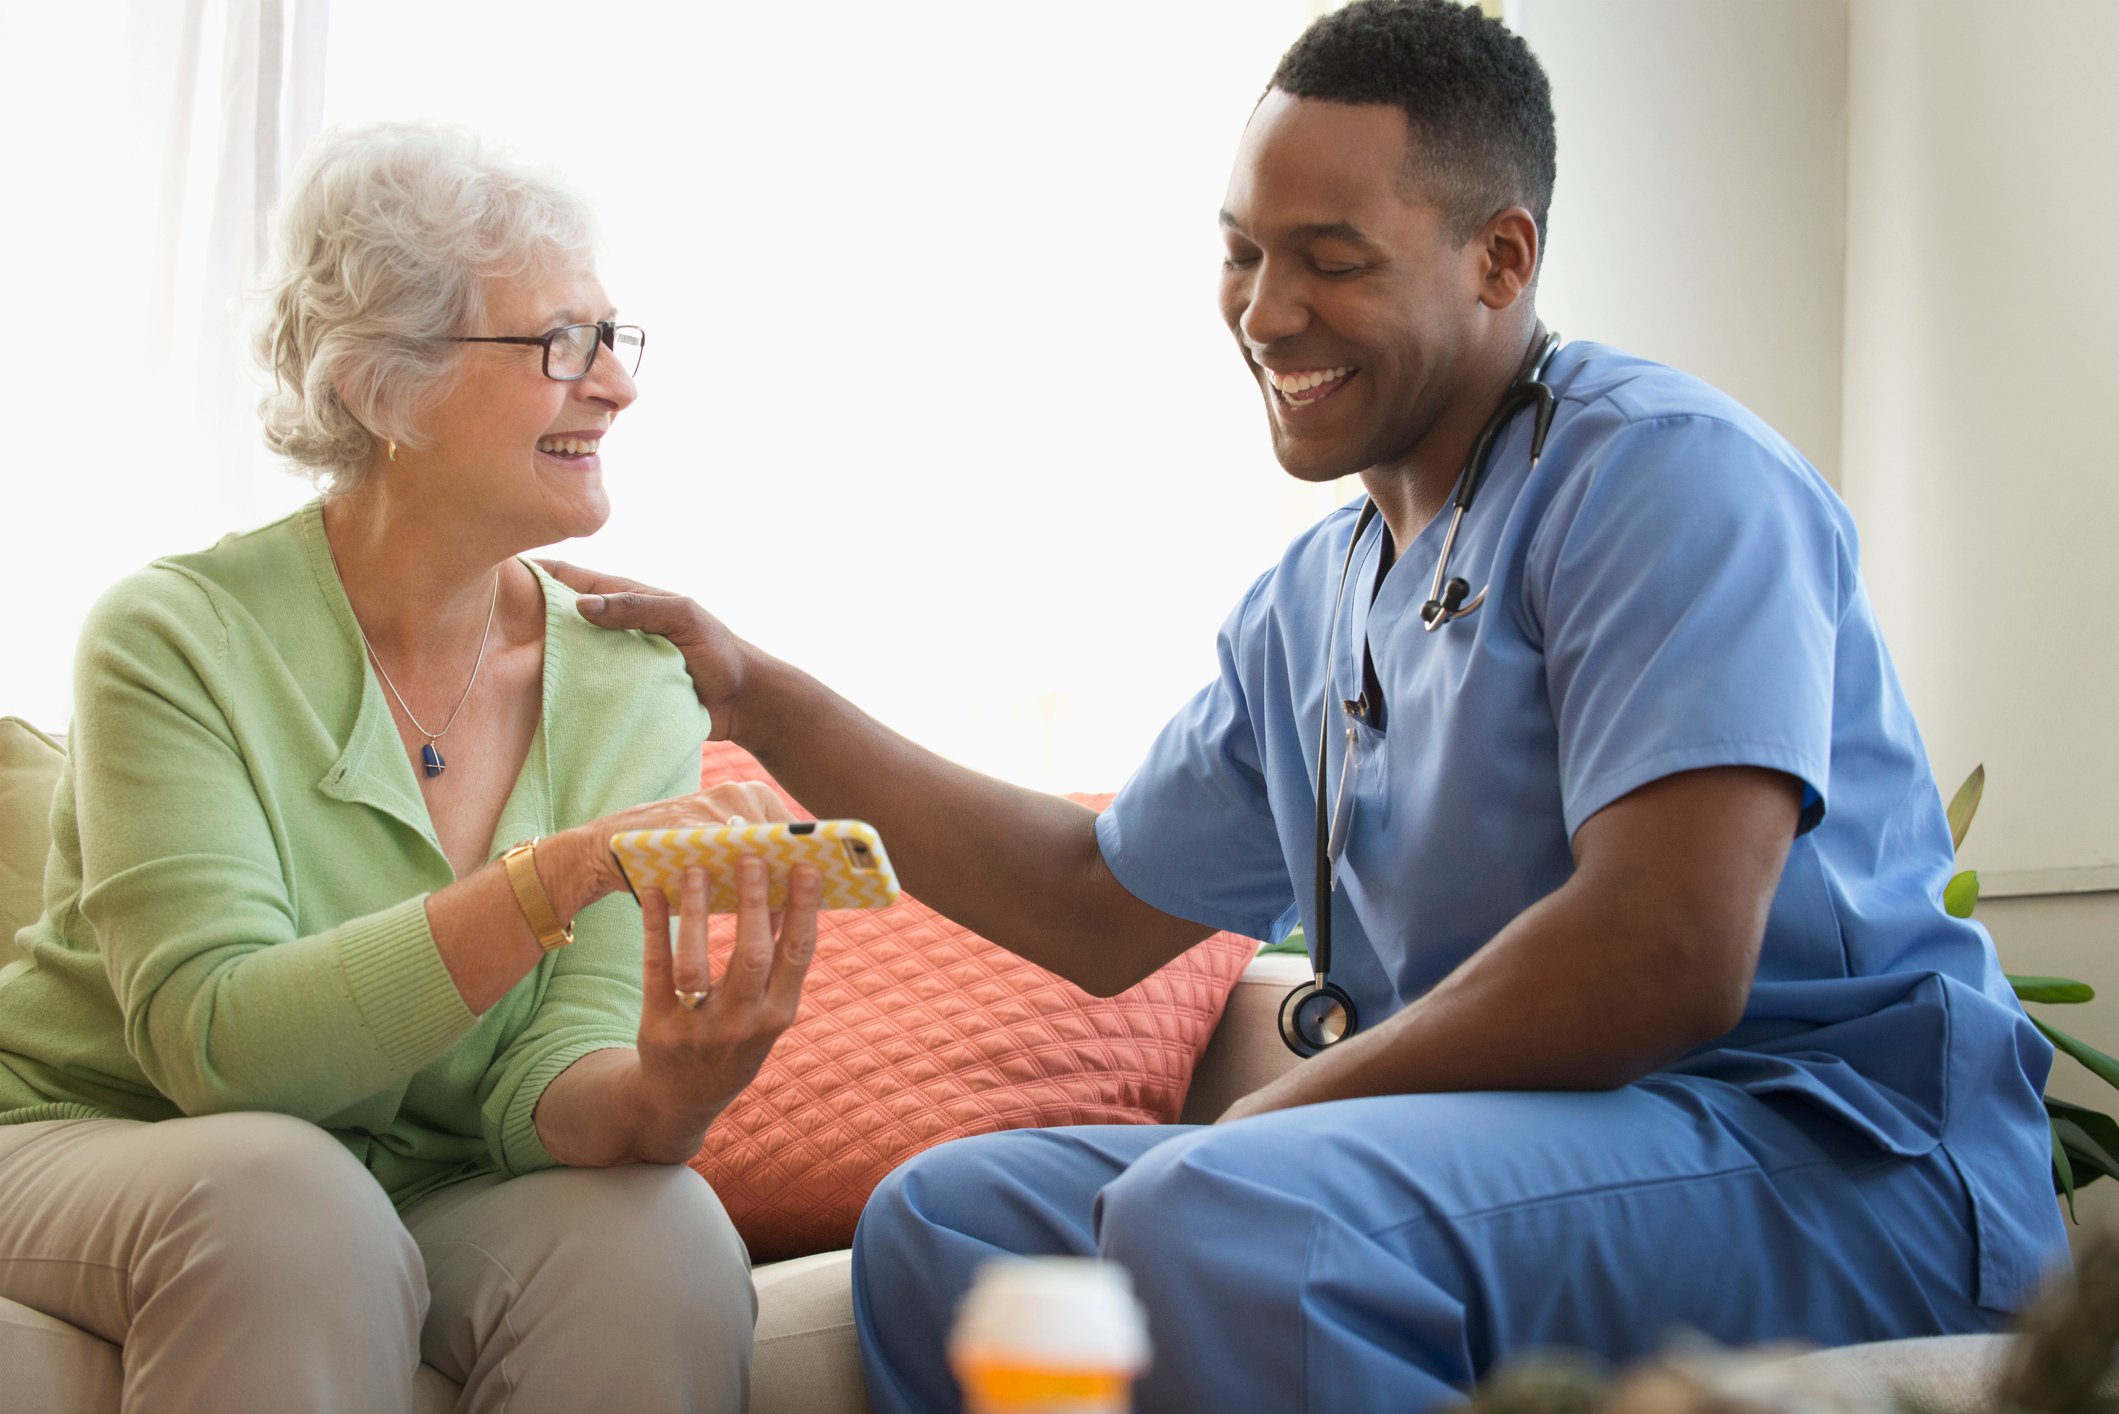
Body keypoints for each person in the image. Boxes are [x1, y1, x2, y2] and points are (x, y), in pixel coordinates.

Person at [550, 2, 2069, 1408]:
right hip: (1565, 1150)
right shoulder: (1317, 595)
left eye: (1331, 257)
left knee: (1231, 1206)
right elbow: (1090, 902)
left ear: (1501, 258)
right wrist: (758, 693)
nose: (1267, 312)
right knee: (948, 1224)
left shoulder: (1666, 479)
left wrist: (1292, 1110)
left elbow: (1665, 952)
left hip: (1842, 1152)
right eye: (1241, 251)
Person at [0, 124, 820, 1414]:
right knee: (286, 1199)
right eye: (561, 342)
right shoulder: (173, 637)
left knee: (655, 1239)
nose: (616, 385)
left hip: (423, 1178)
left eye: (617, 338)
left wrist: (671, 1091)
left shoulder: (624, 682)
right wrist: (554, 877)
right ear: (385, 383)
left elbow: (549, 1084)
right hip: (107, 1139)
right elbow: (213, 1047)